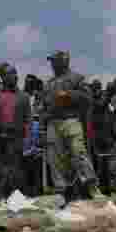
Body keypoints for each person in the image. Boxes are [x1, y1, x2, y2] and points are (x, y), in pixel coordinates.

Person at [43, 50, 100, 201]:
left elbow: (88, 98)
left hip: (71, 120)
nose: (52, 64)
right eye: (52, 62)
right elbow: (44, 103)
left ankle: (91, 186)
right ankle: (61, 191)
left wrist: (69, 95)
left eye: (54, 61)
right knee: (56, 158)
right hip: (53, 122)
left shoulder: (76, 78)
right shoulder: (49, 83)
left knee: (78, 153)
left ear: (64, 61)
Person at [0, 65, 32, 201]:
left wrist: (27, 139)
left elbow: (28, 119)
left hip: (15, 137)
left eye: (16, 74)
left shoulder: (23, 96)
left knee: (14, 168)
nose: (15, 76)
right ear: (3, 77)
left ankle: (12, 196)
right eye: (11, 74)